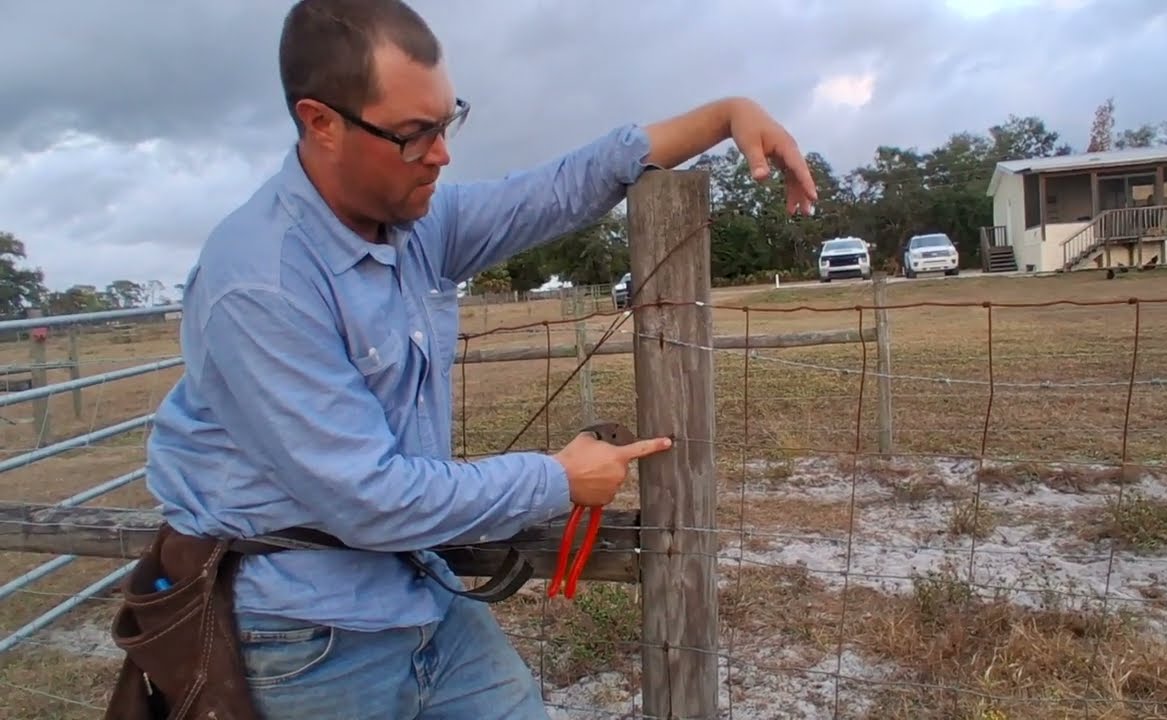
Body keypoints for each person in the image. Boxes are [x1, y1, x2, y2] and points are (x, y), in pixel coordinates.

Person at [141, 0, 818, 718]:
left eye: (446, 121)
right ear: (321, 122)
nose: (442, 153)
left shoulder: (414, 224)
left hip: (417, 591)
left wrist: (723, 115)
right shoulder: (261, 282)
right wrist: (558, 479)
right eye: (414, 134)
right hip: (308, 632)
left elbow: (557, 189)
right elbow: (372, 500)